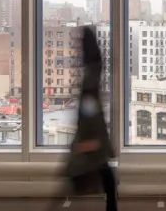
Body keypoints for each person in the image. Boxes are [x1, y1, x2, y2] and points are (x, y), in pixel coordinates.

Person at [50, 25, 117, 211]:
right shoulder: (95, 69)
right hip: (95, 133)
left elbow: (88, 108)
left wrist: (87, 137)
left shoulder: (90, 75)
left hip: (91, 134)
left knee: (77, 171)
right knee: (103, 172)